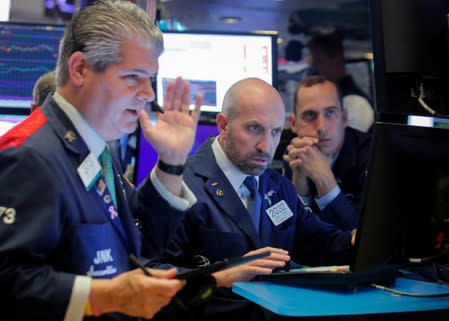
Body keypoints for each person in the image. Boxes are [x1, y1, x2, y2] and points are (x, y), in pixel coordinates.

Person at [0, 1, 203, 320]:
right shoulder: (30, 155)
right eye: (134, 76)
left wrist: (172, 161)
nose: (149, 93)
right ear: (80, 69)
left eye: (150, 78)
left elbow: (139, 244)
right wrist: (104, 297)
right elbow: (8, 281)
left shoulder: (95, 148)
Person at [151, 77, 355, 321]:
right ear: (223, 125)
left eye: (276, 132)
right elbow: (152, 274)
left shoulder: (277, 186)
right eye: (254, 128)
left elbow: (319, 243)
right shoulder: (180, 185)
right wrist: (221, 275)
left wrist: (357, 240)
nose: (266, 146)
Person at [284, 75, 372, 230]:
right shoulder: (295, 153)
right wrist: (299, 187)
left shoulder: (371, 155)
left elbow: (362, 236)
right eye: (310, 115)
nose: (321, 127)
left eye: (330, 113)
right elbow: (289, 234)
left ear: (344, 118)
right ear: (293, 124)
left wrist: (324, 178)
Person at [306, 33, 374, 132]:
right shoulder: (334, 96)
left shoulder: (355, 102)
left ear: (337, 61)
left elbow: (345, 144)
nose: (313, 65)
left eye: (318, 59)